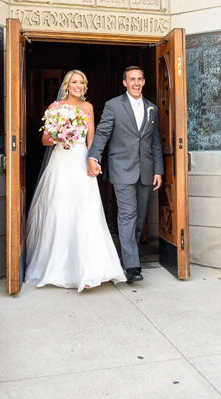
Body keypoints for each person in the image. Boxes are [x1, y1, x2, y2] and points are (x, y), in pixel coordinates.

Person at [24, 70, 126, 291]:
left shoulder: (87, 108)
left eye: (81, 83)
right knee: (60, 210)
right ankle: (59, 268)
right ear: (67, 85)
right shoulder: (54, 108)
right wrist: (61, 132)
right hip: (61, 162)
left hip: (80, 162)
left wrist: (93, 160)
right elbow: (44, 140)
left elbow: (92, 140)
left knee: (86, 211)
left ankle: (89, 270)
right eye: (74, 82)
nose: (78, 86)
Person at [87, 66, 164, 284]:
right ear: (125, 83)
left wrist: (158, 170)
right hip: (121, 168)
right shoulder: (113, 105)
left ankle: (131, 255)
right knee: (127, 215)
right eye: (132, 79)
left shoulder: (152, 109)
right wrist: (93, 157)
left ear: (144, 81)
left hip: (146, 172)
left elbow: (155, 142)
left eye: (140, 79)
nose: (136, 83)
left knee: (139, 218)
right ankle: (132, 266)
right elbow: (102, 133)